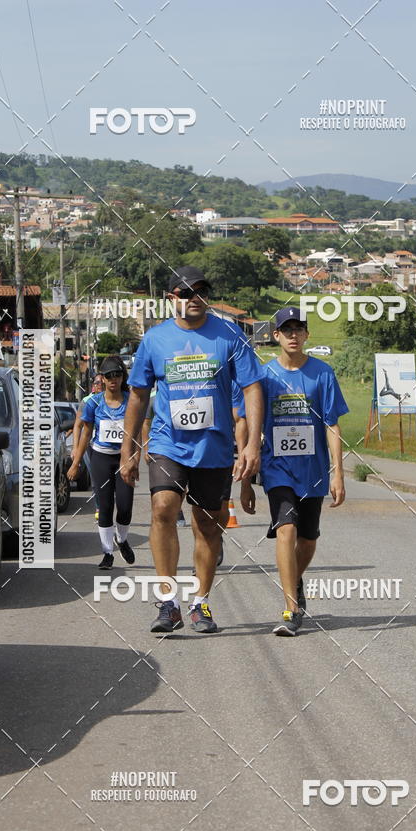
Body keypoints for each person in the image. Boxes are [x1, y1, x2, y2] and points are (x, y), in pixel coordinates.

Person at [120, 265, 263, 634]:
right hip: (168, 442)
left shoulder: (230, 335)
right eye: (186, 292)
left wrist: (251, 444)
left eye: (201, 291)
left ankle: (200, 602)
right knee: (163, 508)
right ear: (172, 298)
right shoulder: (155, 340)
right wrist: (128, 450)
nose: (195, 298)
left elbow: (252, 388)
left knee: (207, 526)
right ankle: (168, 602)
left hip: (213, 446)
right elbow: (137, 395)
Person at [239, 307, 348, 636]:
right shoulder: (264, 377)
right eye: (286, 330)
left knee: (308, 540)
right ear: (275, 335)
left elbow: (332, 424)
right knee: (286, 529)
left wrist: (338, 473)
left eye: (299, 329)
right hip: (278, 469)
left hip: (312, 470)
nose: (293, 335)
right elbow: (249, 425)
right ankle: (291, 609)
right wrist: (246, 481)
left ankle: (294, 580)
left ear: (306, 334)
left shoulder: (322, 373)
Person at [67, 356, 138, 569]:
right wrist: (76, 462)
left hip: (123, 458)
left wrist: (134, 458)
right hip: (101, 458)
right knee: (105, 506)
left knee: (125, 506)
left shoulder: (131, 401)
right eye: (108, 376)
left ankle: (121, 539)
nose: (113, 379)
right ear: (103, 379)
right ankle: (107, 553)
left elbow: (136, 433)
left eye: (117, 375)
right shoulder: (94, 403)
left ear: (122, 377)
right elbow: (86, 434)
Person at [72, 373, 104, 519]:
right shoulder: (86, 402)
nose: (100, 385)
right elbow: (77, 426)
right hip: (90, 445)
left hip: (110, 445)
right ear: (93, 386)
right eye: (97, 383)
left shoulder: (114, 399)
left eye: (102, 383)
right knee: (96, 477)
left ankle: (106, 505)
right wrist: (75, 447)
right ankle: (99, 507)